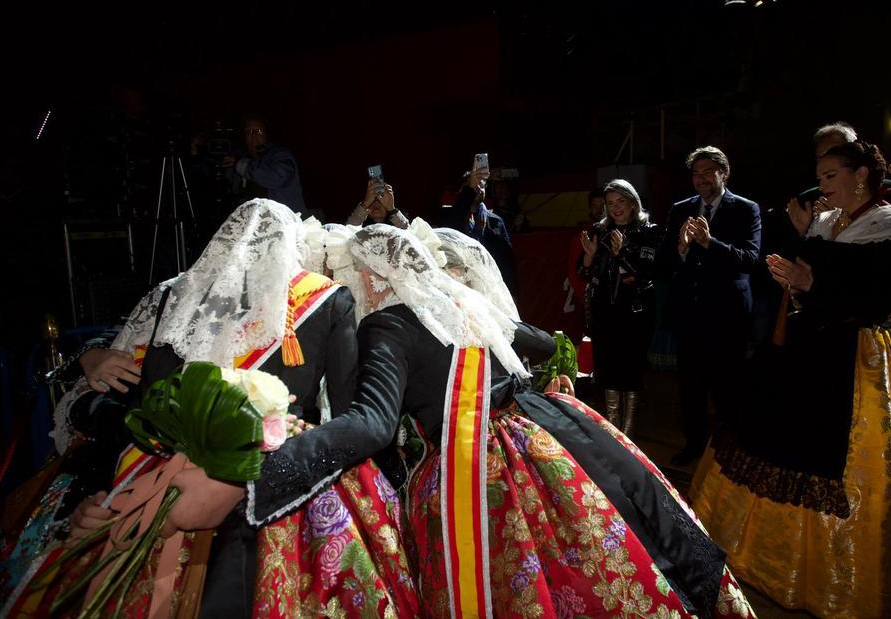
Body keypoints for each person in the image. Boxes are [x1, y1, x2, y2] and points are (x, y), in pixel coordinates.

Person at [180, 224, 752, 617]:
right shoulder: (459, 302)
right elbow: (539, 340)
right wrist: (554, 378)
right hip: (549, 430)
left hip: (478, 468)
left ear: (372, 277)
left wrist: (268, 470)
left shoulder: (390, 326)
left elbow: (375, 424)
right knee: (619, 541)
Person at [0, 201, 417, 618]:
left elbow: (141, 406)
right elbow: (346, 412)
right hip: (266, 490)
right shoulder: (323, 299)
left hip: (173, 480)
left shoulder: (177, 296)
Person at [688, 141, 891, 618]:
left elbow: (874, 302)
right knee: (771, 433)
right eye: (820, 178)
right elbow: (807, 281)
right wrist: (797, 271)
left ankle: (841, 578)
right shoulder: (824, 221)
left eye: (829, 176)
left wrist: (811, 283)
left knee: (845, 454)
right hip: (809, 348)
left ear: (861, 174)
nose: (820, 188)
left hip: (863, 354)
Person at [654, 147, 761, 466]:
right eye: (695, 173)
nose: (700, 178)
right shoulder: (680, 209)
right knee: (691, 387)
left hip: (728, 314)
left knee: (728, 386)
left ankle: (730, 451)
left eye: (707, 171)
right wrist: (682, 249)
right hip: (690, 314)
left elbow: (751, 261)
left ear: (723, 173)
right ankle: (694, 445)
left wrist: (709, 244)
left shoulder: (746, 209)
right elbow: (662, 263)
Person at [576, 179, 660, 436]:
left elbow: (641, 278)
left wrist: (620, 254)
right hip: (605, 313)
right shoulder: (599, 231)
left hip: (634, 313)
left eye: (620, 201)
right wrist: (590, 256)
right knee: (607, 368)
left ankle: (629, 429)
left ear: (633, 202)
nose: (615, 208)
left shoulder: (649, 232)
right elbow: (584, 273)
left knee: (631, 369)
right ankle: (613, 427)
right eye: (610, 203)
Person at [439, 160, 518, 293]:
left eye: (482, 185)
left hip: (490, 286)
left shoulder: (495, 221)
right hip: (461, 286)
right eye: (475, 185)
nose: (479, 189)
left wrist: (512, 291)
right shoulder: (453, 217)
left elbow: (506, 261)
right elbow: (457, 217)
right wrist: (469, 189)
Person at [223, 117, 306, 212]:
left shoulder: (280, 155)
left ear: (267, 134)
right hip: (251, 220)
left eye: (259, 131)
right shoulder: (240, 156)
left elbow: (276, 177)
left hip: (285, 222)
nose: (254, 135)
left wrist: (241, 165)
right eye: (249, 131)